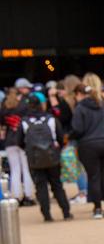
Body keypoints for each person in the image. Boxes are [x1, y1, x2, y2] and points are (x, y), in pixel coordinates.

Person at [18, 94, 72, 222]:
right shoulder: (51, 119)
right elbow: (60, 137)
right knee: (57, 185)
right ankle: (66, 212)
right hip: (52, 156)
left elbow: (19, 141)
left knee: (41, 186)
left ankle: (47, 215)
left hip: (35, 159)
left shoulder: (24, 122)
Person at [70, 74, 104, 219]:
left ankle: (97, 208)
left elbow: (78, 129)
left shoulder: (81, 107)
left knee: (94, 176)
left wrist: (70, 136)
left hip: (89, 144)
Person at [2, 87, 36, 206]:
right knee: (26, 169)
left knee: (15, 170)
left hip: (9, 141)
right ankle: (28, 195)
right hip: (22, 140)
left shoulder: (4, 108)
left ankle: (16, 196)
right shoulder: (23, 107)